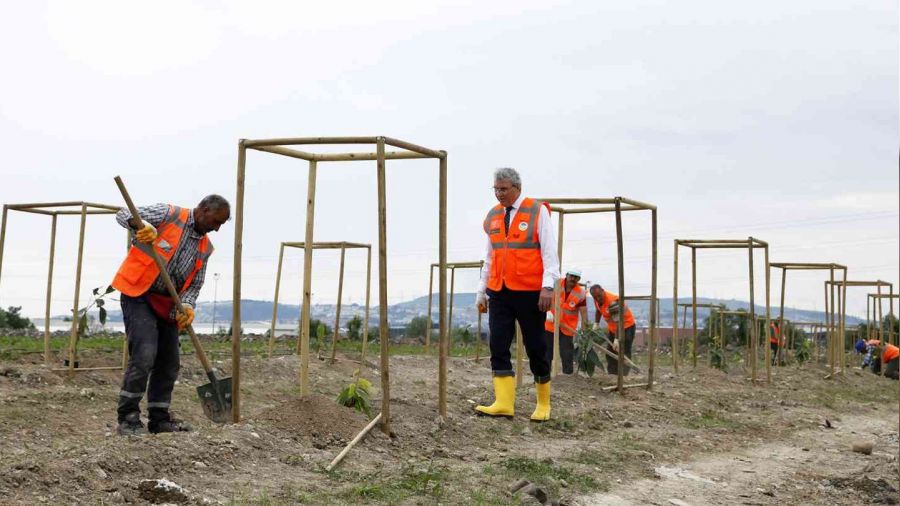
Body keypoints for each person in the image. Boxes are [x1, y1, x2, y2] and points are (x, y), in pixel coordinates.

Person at [112, 196, 230, 435]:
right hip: (140, 294)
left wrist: (186, 305)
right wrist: (141, 226)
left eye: (221, 225)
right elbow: (122, 213)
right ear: (204, 210)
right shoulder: (169, 214)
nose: (217, 228)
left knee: (169, 362)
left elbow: (194, 284)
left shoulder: (205, 247)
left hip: (169, 302)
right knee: (144, 354)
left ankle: (159, 419)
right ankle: (128, 417)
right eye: (216, 221)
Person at [474, 168, 559, 421]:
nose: (499, 194)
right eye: (496, 189)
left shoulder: (537, 211)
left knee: (536, 347)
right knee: (497, 344)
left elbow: (549, 253)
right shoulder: (493, 217)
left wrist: (548, 286)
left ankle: (543, 404)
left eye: (504, 189)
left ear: (517, 188)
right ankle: (503, 403)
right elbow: (490, 257)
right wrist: (482, 290)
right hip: (499, 291)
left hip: (530, 292)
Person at [543, 268, 588, 374]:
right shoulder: (555, 284)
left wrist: (584, 329)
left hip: (567, 326)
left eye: (575, 277)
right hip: (551, 323)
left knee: (566, 351)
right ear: (566, 275)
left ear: (579, 279)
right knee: (547, 350)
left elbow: (584, 312)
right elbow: (545, 297)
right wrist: (547, 311)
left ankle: (567, 375)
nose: (573, 279)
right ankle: (545, 373)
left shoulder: (581, 292)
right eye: (571, 276)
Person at [589, 284, 636, 376]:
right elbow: (598, 310)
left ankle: (623, 375)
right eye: (595, 297)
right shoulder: (596, 299)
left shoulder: (612, 302)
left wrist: (617, 339)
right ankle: (612, 375)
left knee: (623, 352)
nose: (598, 298)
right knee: (611, 352)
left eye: (599, 296)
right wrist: (596, 323)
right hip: (614, 329)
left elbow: (619, 322)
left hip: (626, 327)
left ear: (603, 291)